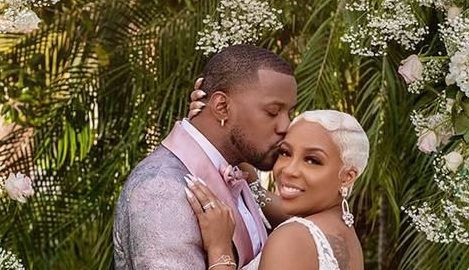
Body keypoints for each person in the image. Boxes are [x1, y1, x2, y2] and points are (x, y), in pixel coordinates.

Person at [113, 44, 297, 270]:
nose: (286, 126)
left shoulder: (238, 171)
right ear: (221, 107)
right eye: (272, 111)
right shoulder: (160, 188)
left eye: (289, 113)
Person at [184, 110, 369, 270]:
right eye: (285, 153)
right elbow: (273, 206)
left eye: (312, 160)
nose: (288, 170)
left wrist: (220, 249)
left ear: (347, 176)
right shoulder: (344, 235)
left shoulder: (293, 238)